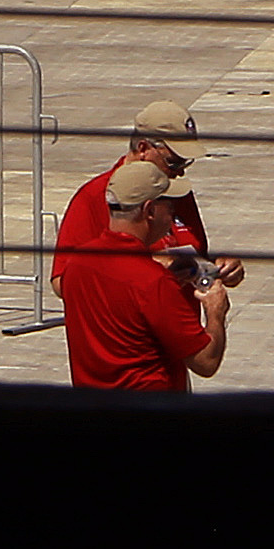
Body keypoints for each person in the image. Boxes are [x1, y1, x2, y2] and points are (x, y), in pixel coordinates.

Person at [58, 156, 226, 389]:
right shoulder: (152, 282)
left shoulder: (78, 263)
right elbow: (206, 361)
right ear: (149, 211)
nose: (173, 216)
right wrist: (216, 311)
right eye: (170, 207)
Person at [59, 98, 238, 287]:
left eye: (186, 162)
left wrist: (219, 268)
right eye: (174, 162)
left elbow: (196, 252)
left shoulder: (177, 190)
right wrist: (148, 271)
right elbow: (63, 281)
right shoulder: (94, 196)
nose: (180, 171)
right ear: (143, 149)